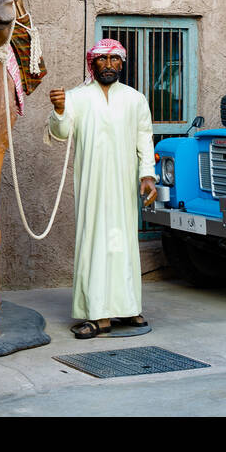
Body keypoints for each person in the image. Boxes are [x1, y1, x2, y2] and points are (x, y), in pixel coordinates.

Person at [48, 39, 156, 338]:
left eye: (114, 59)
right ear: (92, 63)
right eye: (102, 59)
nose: (108, 65)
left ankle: (128, 308)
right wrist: (59, 110)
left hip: (123, 185)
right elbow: (61, 133)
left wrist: (147, 175)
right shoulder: (77, 97)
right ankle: (97, 315)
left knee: (122, 245)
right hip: (92, 185)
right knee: (95, 244)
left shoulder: (135, 99)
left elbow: (144, 138)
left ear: (122, 63)